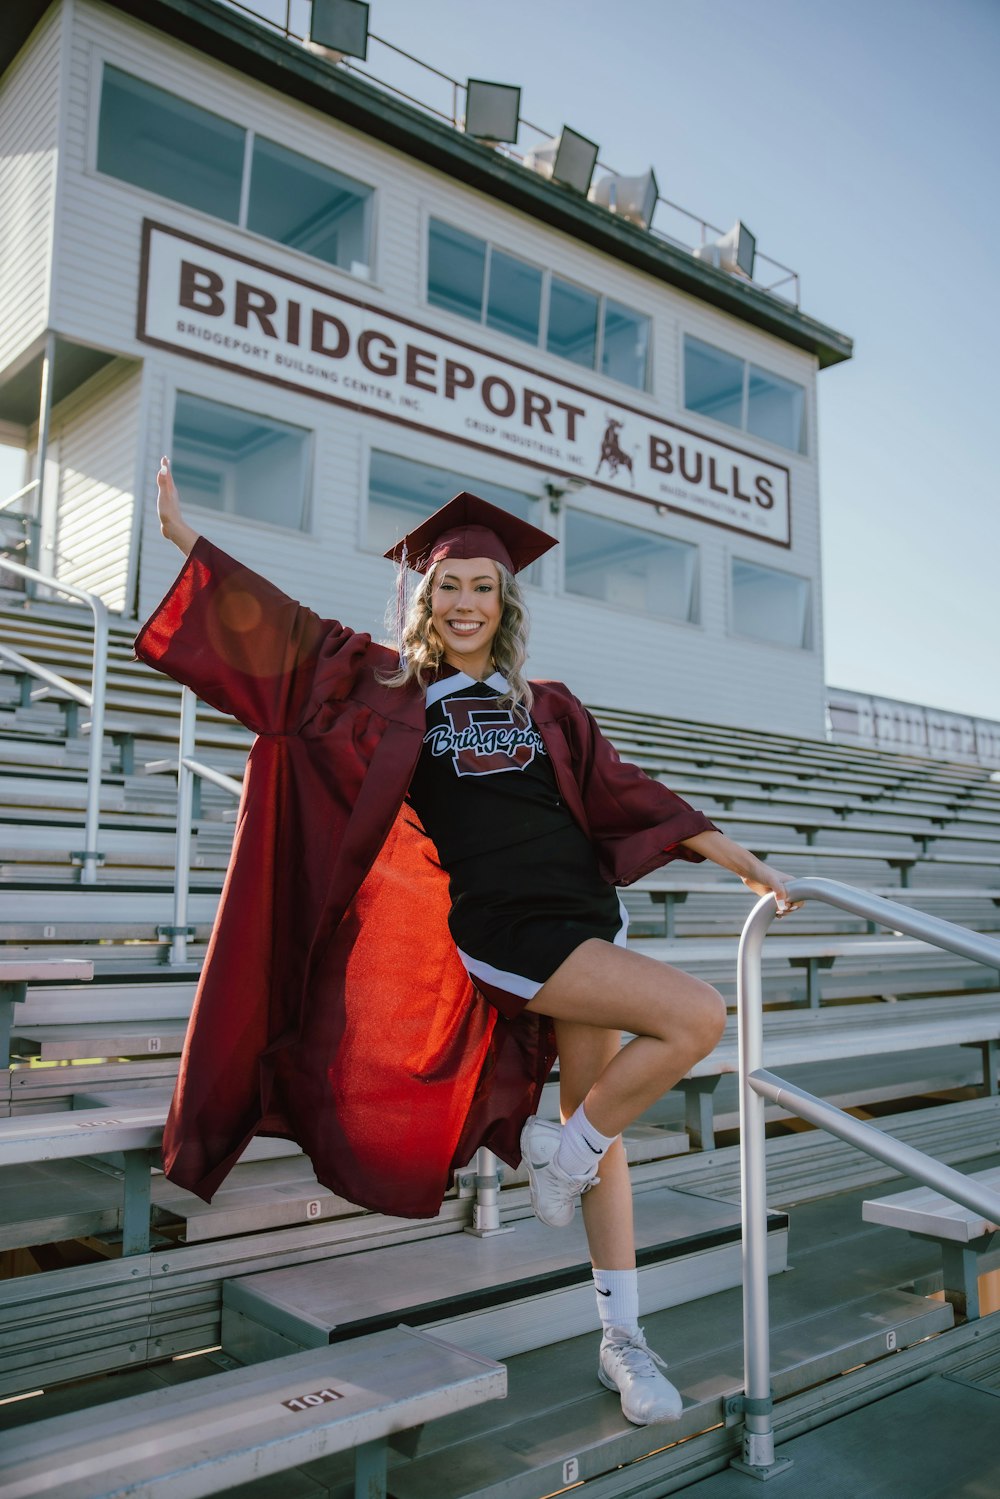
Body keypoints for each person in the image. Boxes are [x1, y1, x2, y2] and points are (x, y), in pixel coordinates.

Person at [141, 458, 798, 1427]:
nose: (463, 601)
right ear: (424, 597)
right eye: (446, 584)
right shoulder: (383, 685)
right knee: (694, 1016)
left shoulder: (553, 707)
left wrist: (751, 865)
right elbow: (283, 631)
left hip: (585, 916)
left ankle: (622, 1333)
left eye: (480, 586)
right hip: (507, 930)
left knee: (605, 1137)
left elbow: (637, 795)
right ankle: (559, 1149)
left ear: (504, 601)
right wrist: (185, 540)